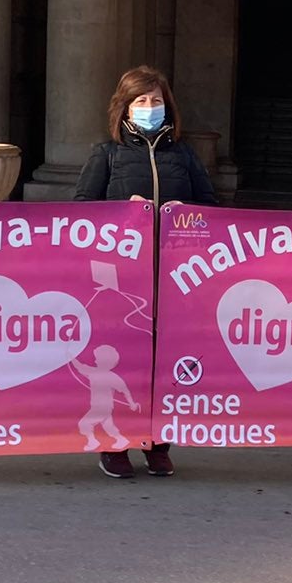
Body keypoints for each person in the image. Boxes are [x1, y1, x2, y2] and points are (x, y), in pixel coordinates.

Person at [73, 64, 216, 479]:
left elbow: (211, 207)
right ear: (124, 107)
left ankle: (157, 443)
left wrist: (188, 214)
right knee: (120, 362)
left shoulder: (183, 154)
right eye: (141, 100)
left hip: (173, 276)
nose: (150, 106)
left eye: (156, 100)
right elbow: (81, 212)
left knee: (162, 363)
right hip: (121, 279)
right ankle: (114, 444)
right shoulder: (107, 153)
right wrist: (122, 211)